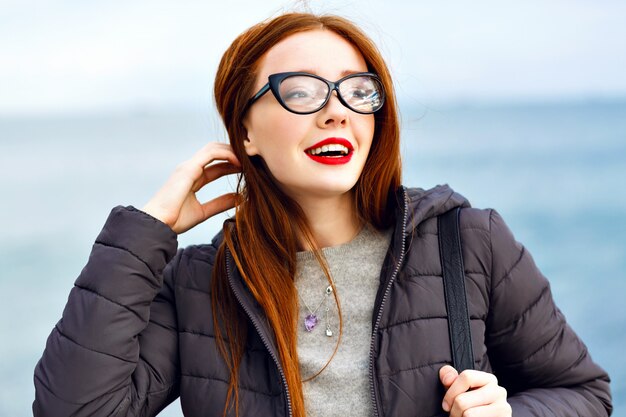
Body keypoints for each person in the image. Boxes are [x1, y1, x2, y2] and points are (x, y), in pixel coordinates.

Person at [33, 12, 612, 417]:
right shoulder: (195, 281)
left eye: (358, 91)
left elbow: (583, 393)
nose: (337, 112)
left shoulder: (468, 239)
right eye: (302, 91)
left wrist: (507, 413)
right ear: (245, 132)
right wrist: (148, 230)